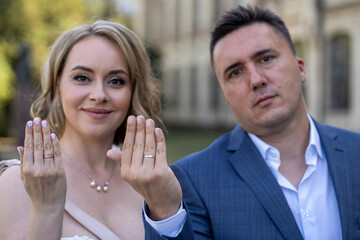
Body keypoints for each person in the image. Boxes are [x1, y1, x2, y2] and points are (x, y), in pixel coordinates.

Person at [108, 5, 360, 240]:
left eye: (266, 58)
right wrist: (165, 210)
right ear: (225, 94)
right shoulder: (193, 180)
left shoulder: (356, 153)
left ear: (300, 67)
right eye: (235, 72)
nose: (256, 79)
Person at [0, 20, 164, 240]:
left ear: (133, 90)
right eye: (82, 78)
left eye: (116, 81)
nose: (99, 94)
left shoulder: (149, 183)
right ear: (58, 85)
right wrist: (47, 209)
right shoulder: (19, 183)